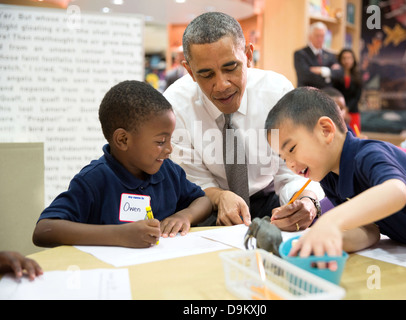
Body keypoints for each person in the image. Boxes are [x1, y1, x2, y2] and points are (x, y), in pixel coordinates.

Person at [164, 12, 324, 230]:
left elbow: (292, 172)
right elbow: (194, 181)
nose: (222, 85)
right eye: (206, 75)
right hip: (206, 204)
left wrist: (307, 201)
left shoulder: (277, 93)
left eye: (231, 68)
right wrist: (220, 197)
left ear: (248, 55)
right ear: (190, 71)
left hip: (269, 199)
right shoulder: (175, 106)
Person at [265, 87, 406, 258]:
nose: (289, 164)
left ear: (325, 130)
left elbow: (397, 192)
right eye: (282, 158)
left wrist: (329, 221)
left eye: (291, 149)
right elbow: (370, 231)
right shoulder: (330, 179)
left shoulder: (367, 154)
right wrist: (317, 244)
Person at [33, 81, 212, 248]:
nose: (169, 149)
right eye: (160, 142)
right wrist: (119, 235)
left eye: (170, 140)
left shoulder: (169, 172)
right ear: (123, 140)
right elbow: (44, 230)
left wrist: (185, 215)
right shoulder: (94, 180)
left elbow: (203, 200)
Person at [294, 22, 342, 88]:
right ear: (310, 37)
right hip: (307, 93)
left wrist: (323, 71)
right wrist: (329, 76)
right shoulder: (301, 54)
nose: (320, 39)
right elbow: (305, 76)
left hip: (326, 93)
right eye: (317, 36)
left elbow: (340, 74)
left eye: (322, 36)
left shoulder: (330, 55)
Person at [332, 48, 362, 131]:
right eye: (344, 58)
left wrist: (346, 109)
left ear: (353, 60)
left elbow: (357, 96)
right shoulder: (335, 75)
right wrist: (342, 109)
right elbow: (334, 93)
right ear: (340, 60)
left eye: (349, 58)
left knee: (355, 136)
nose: (347, 61)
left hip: (353, 111)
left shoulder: (358, 76)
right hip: (338, 112)